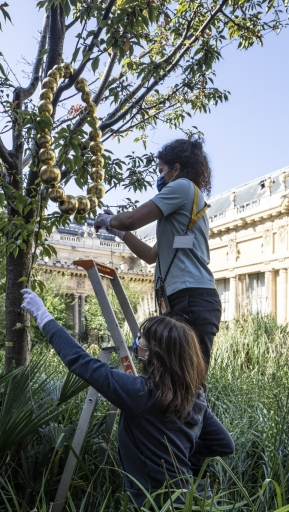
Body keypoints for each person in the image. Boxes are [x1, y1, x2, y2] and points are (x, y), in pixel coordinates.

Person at [21, 288, 235, 509]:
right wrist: (185, 461)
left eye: (143, 337)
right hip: (189, 502)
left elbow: (80, 362)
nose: (138, 339)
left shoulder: (140, 393)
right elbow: (225, 444)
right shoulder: (193, 394)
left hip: (153, 507)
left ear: (154, 352)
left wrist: (43, 315)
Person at [93, 138, 221, 368]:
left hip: (190, 298)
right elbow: (152, 256)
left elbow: (131, 219)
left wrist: (109, 219)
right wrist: (118, 231)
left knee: (188, 385)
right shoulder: (186, 205)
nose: (160, 177)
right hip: (188, 299)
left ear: (176, 168)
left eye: (162, 170)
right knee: (178, 383)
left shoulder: (181, 187)